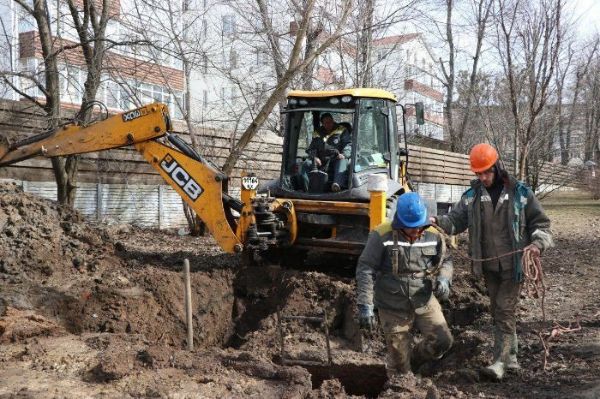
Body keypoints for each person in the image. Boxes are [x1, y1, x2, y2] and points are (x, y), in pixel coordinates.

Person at [431, 143, 554, 381]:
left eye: (486, 172)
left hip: (515, 264)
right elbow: (456, 221)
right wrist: (437, 220)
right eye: (478, 173)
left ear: (496, 167)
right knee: (500, 311)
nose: (483, 177)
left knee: (504, 310)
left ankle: (500, 362)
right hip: (488, 266)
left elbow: (542, 224)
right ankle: (513, 358)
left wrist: (537, 245)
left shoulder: (520, 193)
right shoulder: (472, 197)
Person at [356, 192, 454, 379]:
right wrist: (365, 305)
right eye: (411, 229)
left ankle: (414, 361)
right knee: (400, 366)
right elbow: (365, 268)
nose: (417, 232)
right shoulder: (381, 235)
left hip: (423, 297)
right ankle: (402, 374)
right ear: (400, 224)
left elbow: (446, 260)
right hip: (391, 302)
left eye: (420, 227)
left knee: (443, 341)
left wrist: (444, 279)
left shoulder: (434, 235)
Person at [301, 113, 351, 192]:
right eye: (326, 123)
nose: (329, 124)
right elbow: (311, 148)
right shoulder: (317, 133)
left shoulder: (342, 130)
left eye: (331, 121)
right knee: (306, 164)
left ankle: (336, 185)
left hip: (336, 159)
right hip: (321, 162)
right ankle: (307, 189)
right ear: (322, 123)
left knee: (342, 161)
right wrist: (315, 157)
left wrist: (344, 154)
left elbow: (348, 145)